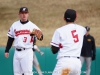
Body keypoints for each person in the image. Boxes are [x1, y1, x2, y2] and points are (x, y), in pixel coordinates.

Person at [4, 7, 43, 75]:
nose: (24, 15)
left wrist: (38, 36)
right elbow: (10, 38)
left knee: (27, 73)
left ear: (28, 14)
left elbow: (41, 37)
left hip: (27, 52)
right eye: (22, 13)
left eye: (25, 13)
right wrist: (7, 50)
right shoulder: (14, 25)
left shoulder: (32, 26)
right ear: (19, 14)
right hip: (16, 52)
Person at [50, 9, 87, 75]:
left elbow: (54, 50)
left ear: (64, 18)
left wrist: (60, 45)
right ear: (76, 18)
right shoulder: (82, 29)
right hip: (77, 63)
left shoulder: (59, 31)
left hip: (65, 62)